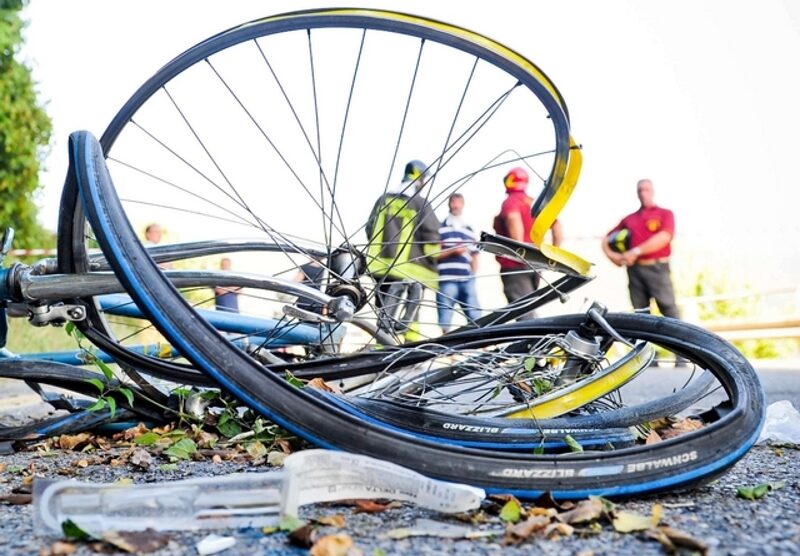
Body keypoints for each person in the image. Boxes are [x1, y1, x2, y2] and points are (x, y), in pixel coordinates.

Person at [365, 160, 440, 339]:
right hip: (409, 269)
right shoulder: (420, 203)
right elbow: (431, 236)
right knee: (411, 314)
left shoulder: (383, 199)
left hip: (380, 267)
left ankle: (381, 350)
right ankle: (410, 353)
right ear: (420, 179)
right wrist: (434, 258)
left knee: (384, 312)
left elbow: (370, 228)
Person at [601, 178, 680, 321]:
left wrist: (635, 252)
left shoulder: (665, 214)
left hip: (657, 269)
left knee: (669, 310)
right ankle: (643, 343)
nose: (643, 193)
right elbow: (606, 239)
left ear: (652, 191)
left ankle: (681, 342)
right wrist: (614, 257)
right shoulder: (629, 219)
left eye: (646, 190)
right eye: (640, 190)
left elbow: (664, 237)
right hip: (635, 271)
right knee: (640, 314)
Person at [492, 167, 563, 318]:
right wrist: (553, 255)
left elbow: (513, 219)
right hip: (536, 264)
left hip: (515, 265)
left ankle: (533, 341)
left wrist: (520, 251)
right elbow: (557, 228)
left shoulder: (510, 202)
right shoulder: (534, 202)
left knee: (523, 311)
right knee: (530, 305)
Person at [436, 193, 481, 332]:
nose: (455, 205)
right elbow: (434, 254)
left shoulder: (469, 230)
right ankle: (445, 348)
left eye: (458, 203)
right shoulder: (440, 228)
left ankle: (483, 345)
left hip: (467, 279)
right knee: (445, 316)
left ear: (463, 205)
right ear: (449, 204)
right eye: (453, 202)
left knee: (475, 315)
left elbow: (475, 255)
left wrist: (473, 274)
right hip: (447, 278)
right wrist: (453, 251)